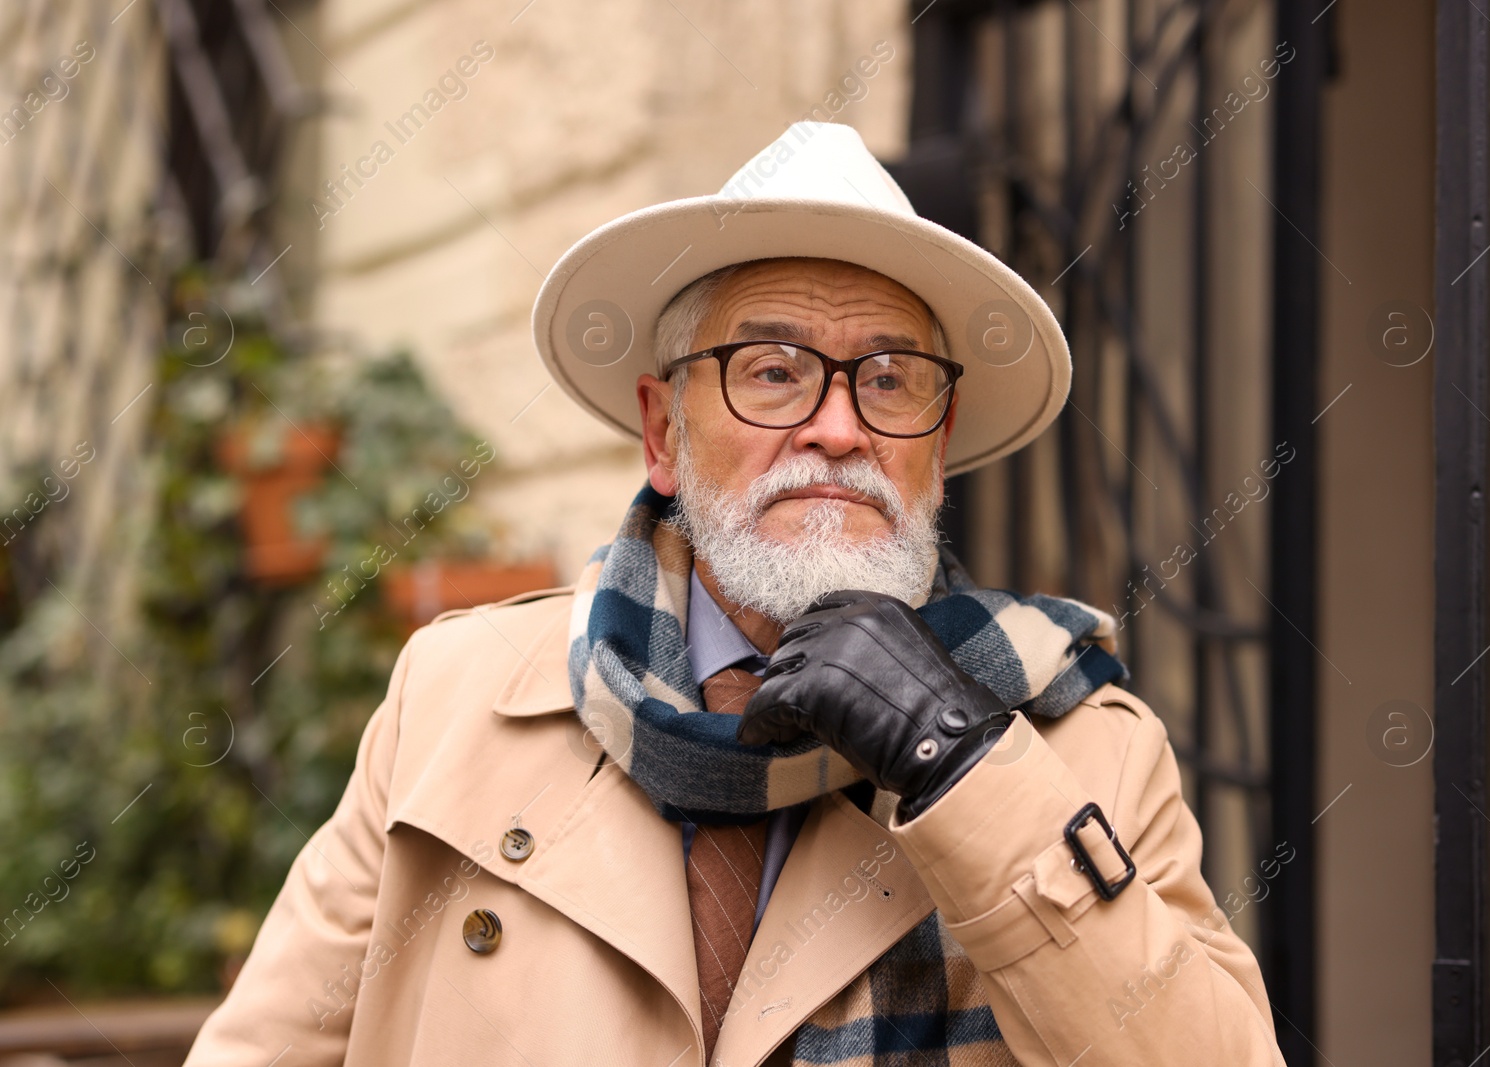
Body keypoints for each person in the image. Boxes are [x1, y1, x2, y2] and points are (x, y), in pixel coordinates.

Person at [185, 122, 1284, 1066]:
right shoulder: (453, 704)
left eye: (891, 378)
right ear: (663, 431)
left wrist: (962, 761)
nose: (840, 427)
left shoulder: (1083, 745)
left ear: (937, 449)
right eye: (772, 369)